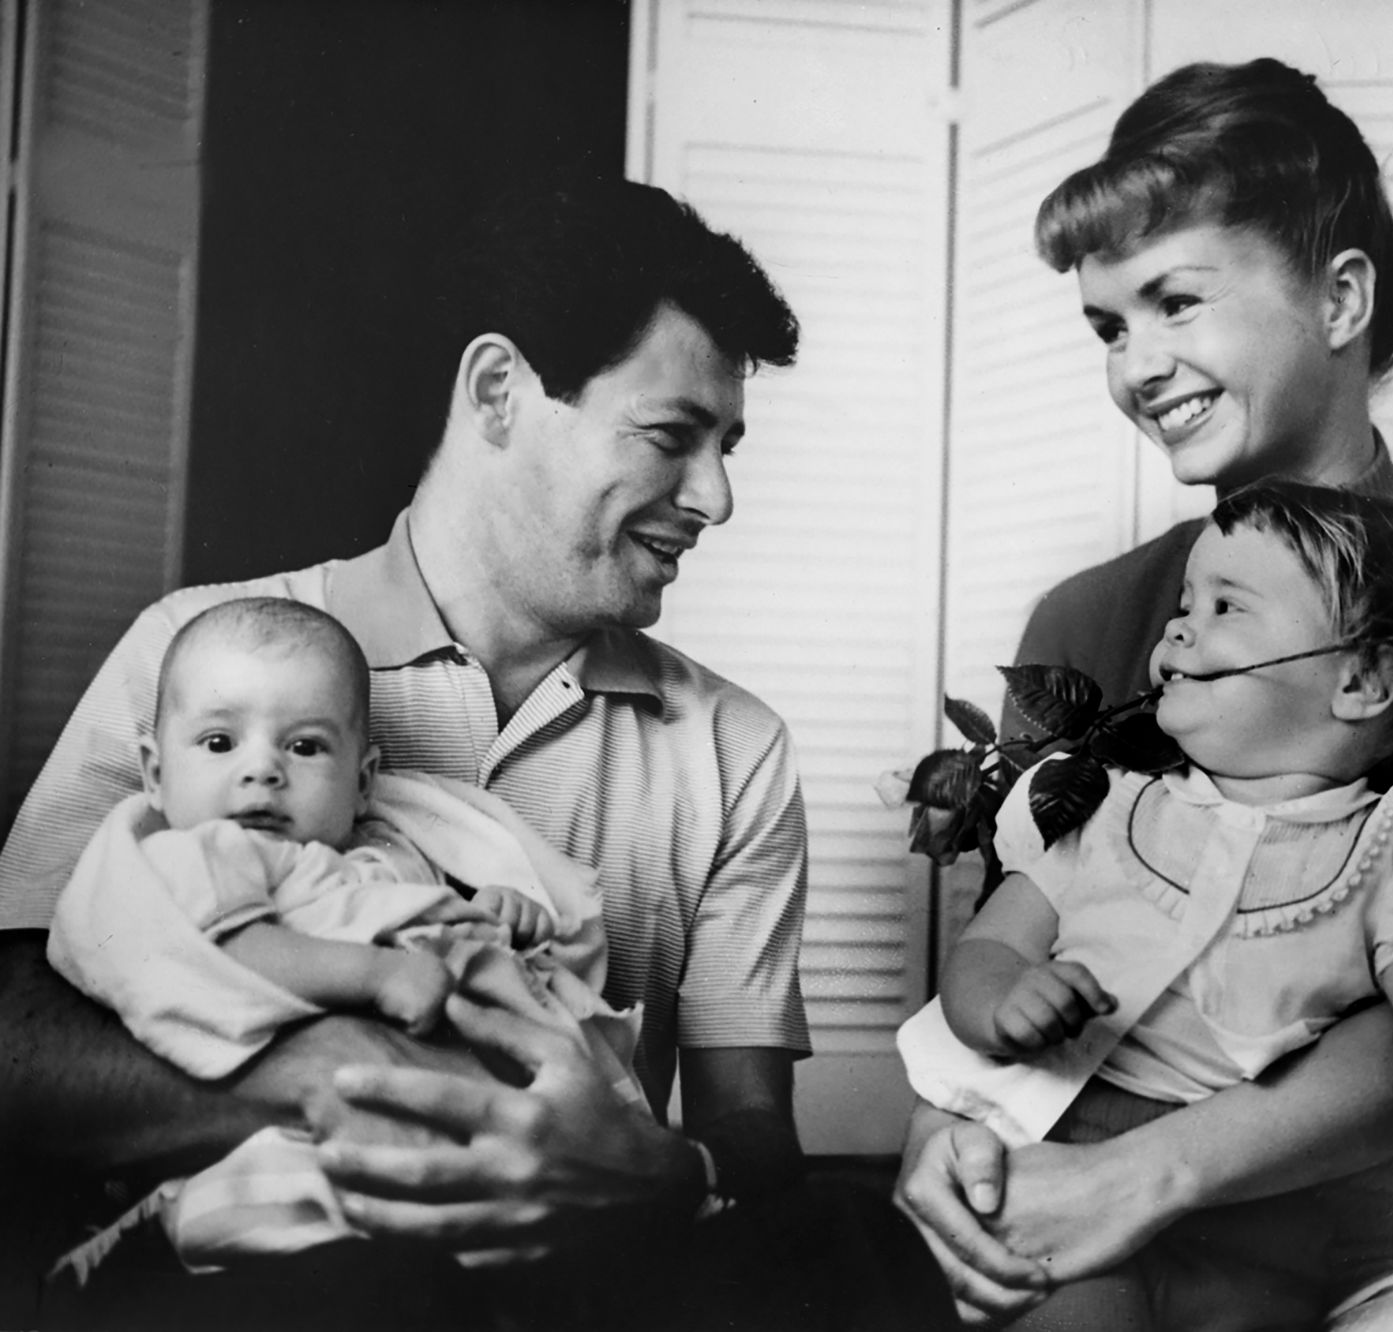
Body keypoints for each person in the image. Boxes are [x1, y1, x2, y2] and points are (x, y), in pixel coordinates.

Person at [0, 178, 958, 1331]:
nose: (715, 497)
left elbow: (749, 1130)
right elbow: (15, 1037)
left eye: (727, 447)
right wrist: (362, 1082)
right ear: (501, 391)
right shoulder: (203, 662)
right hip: (260, 1273)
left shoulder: (731, 747)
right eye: (671, 437)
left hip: (575, 1285)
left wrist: (668, 1174)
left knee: (860, 1253)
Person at [894, 58, 1393, 1330]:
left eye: (1173, 301)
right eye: (1109, 327)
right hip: (1112, 1112)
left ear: (1338, 297)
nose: (1135, 366)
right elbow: (1024, 945)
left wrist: (1145, 1175)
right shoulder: (1082, 621)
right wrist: (956, 1131)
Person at [900, 481, 1393, 1329]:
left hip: (1265, 1221)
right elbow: (984, 952)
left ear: (1365, 681)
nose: (1179, 627)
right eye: (1186, 602)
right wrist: (1002, 1003)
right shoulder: (1108, 810)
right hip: (1062, 1160)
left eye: (1227, 605)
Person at [47, 596, 647, 1277]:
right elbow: (236, 952)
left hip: (457, 1114)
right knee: (299, 1217)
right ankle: (133, 1246)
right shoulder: (201, 854)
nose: (263, 770)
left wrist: (500, 911)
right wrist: (376, 976)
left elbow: (428, 915)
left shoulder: (383, 854)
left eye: (304, 746)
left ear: (363, 782)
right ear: (155, 774)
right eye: (220, 742)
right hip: (297, 1134)